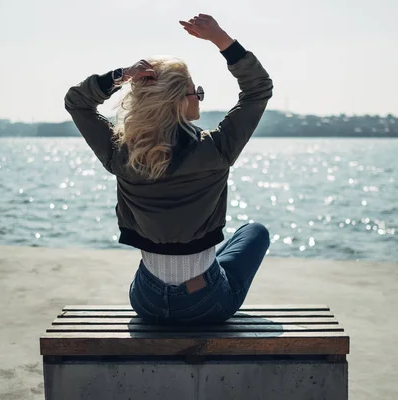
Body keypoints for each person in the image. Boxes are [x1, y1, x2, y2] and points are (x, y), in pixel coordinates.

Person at [64, 13, 273, 324]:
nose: (199, 97)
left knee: (211, 251)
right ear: (178, 101)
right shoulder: (216, 149)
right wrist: (221, 39)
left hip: (146, 299)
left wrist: (122, 75)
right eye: (195, 92)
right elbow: (257, 89)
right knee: (254, 232)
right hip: (205, 302)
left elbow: (77, 102)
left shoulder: (122, 154)